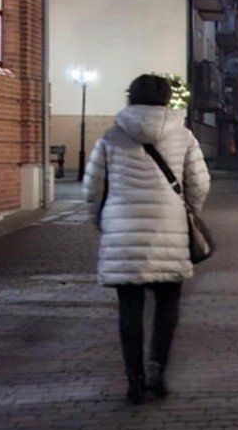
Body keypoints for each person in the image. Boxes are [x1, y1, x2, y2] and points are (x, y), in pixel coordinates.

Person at [85, 74, 210, 404]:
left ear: (131, 97)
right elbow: (199, 183)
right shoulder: (183, 136)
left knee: (129, 309)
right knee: (167, 306)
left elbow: (92, 188)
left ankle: (134, 378)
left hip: (123, 231)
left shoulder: (111, 137)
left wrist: (101, 218)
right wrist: (188, 212)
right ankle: (157, 369)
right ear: (167, 99)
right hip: (169, 230)